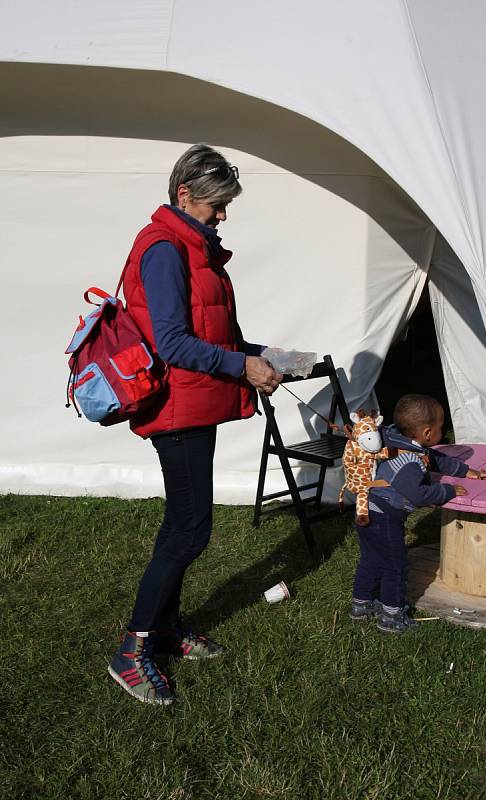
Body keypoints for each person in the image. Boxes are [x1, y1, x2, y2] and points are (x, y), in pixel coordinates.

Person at [108, 144, 283, 705]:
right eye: (217, 205)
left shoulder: (193, 247)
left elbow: (210, 332)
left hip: (196, 404)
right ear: (185, 196)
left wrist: (263, 354)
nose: (223, 215)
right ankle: (132, 652)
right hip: (175, 409)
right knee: (189, 529)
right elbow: (174, 344)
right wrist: (242, 365)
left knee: (182, 525)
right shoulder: (163, 249)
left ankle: (164, 630)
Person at [349, 394, 486, 634]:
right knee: (396, 565)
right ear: (426, 433)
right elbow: (420, 495)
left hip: (368, 510)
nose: (442, 431)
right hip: (385, 518)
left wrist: (465, 470)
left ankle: (360, 604)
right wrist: (447, 490)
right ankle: (391, 615)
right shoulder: (409, 463)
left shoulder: (395, 439)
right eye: (440, 427)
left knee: (372, 558)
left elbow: (434, 459)